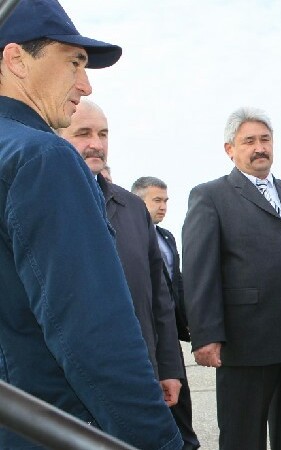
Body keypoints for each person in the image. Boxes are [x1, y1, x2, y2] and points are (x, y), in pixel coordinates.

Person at [0, 0, 181, 449]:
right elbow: (94, 336)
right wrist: (158, 441)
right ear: (16, 58)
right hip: (50, 427)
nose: (85, 84)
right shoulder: (42, 158)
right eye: (73, 62)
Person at [183, 107, 281, 450]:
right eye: (249, 141)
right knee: (242, 435)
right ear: (230, 149)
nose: (259, 148)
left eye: (265, 139)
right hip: (246, 340)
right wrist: (206, 334)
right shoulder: (211, 196)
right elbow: (200, 270)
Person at [57, 100, 184, 410]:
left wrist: (169, 367)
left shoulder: (133, 209)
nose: (96, 144)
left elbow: (159, 297)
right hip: (65, 380)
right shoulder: (41, 201)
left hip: (137, 371)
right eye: (83, 133)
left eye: (103, 134)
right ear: (56, 137)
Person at [132, 176, 201, 450]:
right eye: (157, 200)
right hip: (145, 334)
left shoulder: (166, 237)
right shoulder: (129, 237)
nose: (163, 206)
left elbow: (176, 284)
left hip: (170, 334)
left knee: (180, 398)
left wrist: (192, 323)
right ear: (137, 202)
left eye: (166, 201)